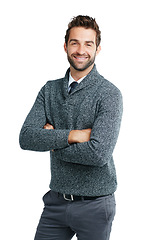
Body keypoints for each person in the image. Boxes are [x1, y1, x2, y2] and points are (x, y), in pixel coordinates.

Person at [19, 15, 123, 240]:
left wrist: (53, 143)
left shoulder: (109, 94)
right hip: (56, 202)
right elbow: (26, 137)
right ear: (65, 46)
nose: (81, 50)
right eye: (75, 42)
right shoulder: (49, 90)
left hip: (95, 205)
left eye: (88, 44)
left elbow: (98, 153)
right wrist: (74, 135)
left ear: (98, 49)